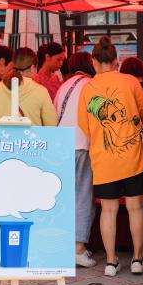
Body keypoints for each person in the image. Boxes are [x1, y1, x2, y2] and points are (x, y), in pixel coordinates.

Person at [78, 36, 143, 277]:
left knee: (108, 211)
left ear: (94, 62)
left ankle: (110, 262)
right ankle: (137, 259)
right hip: (133, 157)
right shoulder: (131, 82)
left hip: (103, 159)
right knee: (135, 208)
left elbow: (84, 126)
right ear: (117, 60)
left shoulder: (88, 88)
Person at [55, 52, 98, 267]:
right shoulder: (91, 85)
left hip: (61, 145)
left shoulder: (64, 86)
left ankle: (62, 246)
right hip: (83, 144)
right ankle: (78, 249)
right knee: (83, 195)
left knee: (64, 197)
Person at [0, 50, 58, 126]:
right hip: (31, 134)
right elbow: (52, 124)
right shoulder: (41, 91)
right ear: (33, 68)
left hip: (3, 134)